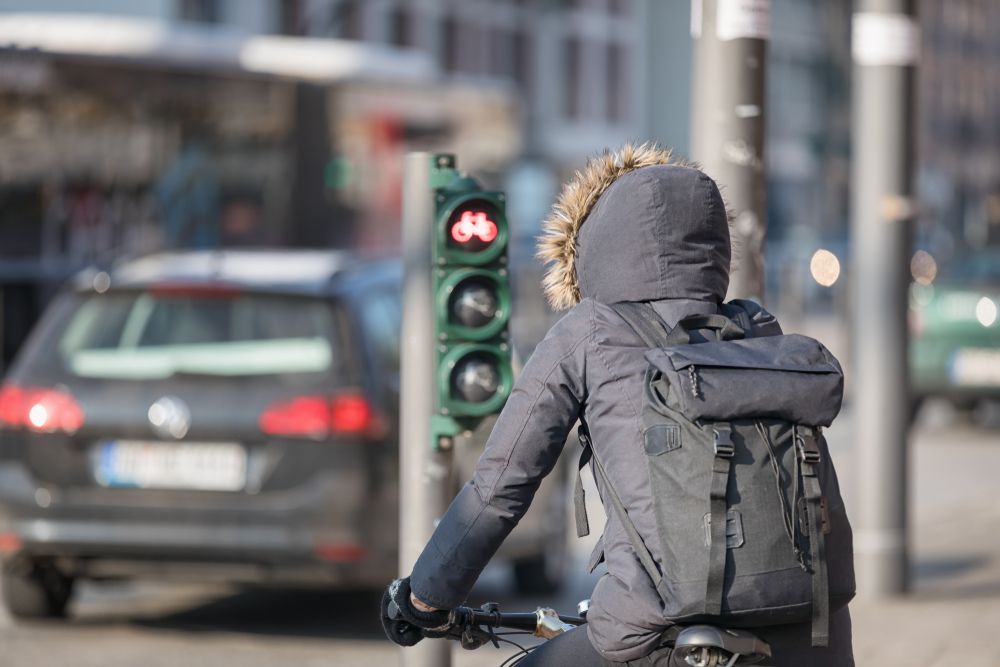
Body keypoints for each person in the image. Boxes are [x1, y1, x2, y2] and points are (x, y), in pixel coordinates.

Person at [381, 143, 854, 666]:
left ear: (594, 246)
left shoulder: (589, 332)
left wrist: (423, 598)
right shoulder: (756, 328)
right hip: (811, 637)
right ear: (713, 243)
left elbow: (500, 489)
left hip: (659, 637)